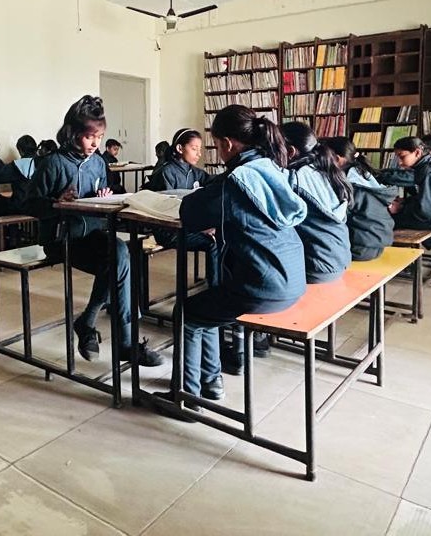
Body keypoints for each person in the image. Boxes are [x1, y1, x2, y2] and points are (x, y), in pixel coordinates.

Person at [155, 105, 307, 413]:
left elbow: (191, 212)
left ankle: (185, 398)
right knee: (207, 304)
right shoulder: (268, 169)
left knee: (186, 311)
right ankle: (210, 383)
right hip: (292, 278)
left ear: (226, 144)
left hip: (264, 285)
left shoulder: (236, 182)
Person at [26, 95, 162, 366]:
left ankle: (91, 324)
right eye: (90, 137)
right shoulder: (52, 163)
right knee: (119, 260)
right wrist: (56, 203)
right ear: (72, 133)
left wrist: (103, 195)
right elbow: (28, 203)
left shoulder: (99, 163)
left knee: (122, 254)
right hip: (60, 239)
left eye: (99, 137)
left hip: (92, 235)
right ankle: (115, 338)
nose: (95, 144)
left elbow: (95, 198)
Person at [144, 128, 220, 288]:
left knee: (226, 237)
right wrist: (200, 228)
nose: (199, 154)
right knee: (213, 244)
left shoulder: (196, 173)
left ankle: (223, 285)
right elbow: (168, 210)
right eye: (194, 149)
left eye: (200, 149)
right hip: (168, 230)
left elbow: (213, 184)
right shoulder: (166, 172)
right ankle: (214, 290)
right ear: (179, 148)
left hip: (187, 226)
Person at [280, 122, 351, 283]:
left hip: (316, 266)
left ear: (290, 152)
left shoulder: (294, 178)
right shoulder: (324, 169)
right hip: (339, 258)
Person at [325, 137, 397, 261]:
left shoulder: (346, 184)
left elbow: (335, 218)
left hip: (360, 247)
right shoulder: (363, 173)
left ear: (336, 159)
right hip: (378, 241)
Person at [0, 134, 37, 215]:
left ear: (20, 150)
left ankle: (8, 228)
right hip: (38, 206)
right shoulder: (44, 162)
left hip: (21, 206)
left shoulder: (18, 165)